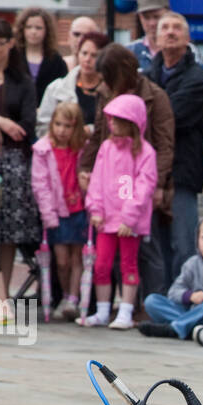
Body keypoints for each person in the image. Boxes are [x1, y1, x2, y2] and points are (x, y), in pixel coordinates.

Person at [79, 43, 174, 299]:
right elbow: (98, 135)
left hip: (143, 180)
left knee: (146, 247)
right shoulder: (105, 94)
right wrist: (85, 168)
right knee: (109, 249)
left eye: (109, 76)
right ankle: (114, 304)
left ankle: (152, 303)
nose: (106, 83)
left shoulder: (155, 95)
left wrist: (159, 184)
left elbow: (165, 145)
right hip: (110, 181)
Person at [81, 93, 157, 330]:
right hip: (105, 219)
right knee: (101, 264)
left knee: (128, 263)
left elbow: (145, 187)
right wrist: (95, 208)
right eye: (111, 119)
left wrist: (129, 217)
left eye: (118, 119)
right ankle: (103, 311)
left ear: (133, 122)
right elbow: (97, 181)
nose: (112, 123)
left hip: (128, 223)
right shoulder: (106, 148)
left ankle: (125, 311)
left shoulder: (145, 152)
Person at [145, 12, 203, 280]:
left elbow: (165, 118)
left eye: (176, 28)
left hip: (182, 174)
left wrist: (146, 113)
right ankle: (156, 302)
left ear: (187, 38)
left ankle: (184, 305)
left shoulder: (196, 79)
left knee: (184, 246)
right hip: (148, 174)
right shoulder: (148, 75)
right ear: (156, 37)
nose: (170, 32)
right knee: (154, 245)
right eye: (165, 28)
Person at [137, 215, 203, 343]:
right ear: (197, 238)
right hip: (191, 310)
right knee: (152, 301)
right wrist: (190, 296)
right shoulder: (192, 262)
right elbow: (174, 291)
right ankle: (192, 328)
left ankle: (176, 328)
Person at [0, 17, 40, 320]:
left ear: (11, 43)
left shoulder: (22, 82)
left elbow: (26, 126)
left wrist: (9, 126)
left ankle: (4, 295)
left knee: (8, 232)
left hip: (12, 164)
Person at [30, 101, 88, 320]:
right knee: (61, 260)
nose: (62, 131)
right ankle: (64, 294)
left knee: (77, 258)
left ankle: (72, 298)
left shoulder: (82, 148)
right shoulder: (43, 149)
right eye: (58, 124)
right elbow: (40, 184)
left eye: (68, 126)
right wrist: (47, 213)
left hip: (79, 209)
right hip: (57, 212)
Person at [37, 30, 108, 136]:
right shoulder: (57, 88)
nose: (87, 59)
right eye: (84, 53)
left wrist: (90, 131)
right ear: (77, 54)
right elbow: (42, 127)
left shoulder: (111, 90)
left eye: (94, 55)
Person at [14, 8, 68, 105]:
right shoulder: (13, 57)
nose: (33, 31)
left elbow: (63, 91)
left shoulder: (56, 60)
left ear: (47, 30)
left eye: (38, 28)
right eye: (29, 27)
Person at [125, 0, 170, 73]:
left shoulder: (186, 51)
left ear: (168, 14)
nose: (152, 23)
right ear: (140, 18)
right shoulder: (128, 52)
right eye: (146, 18)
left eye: (157, 17)